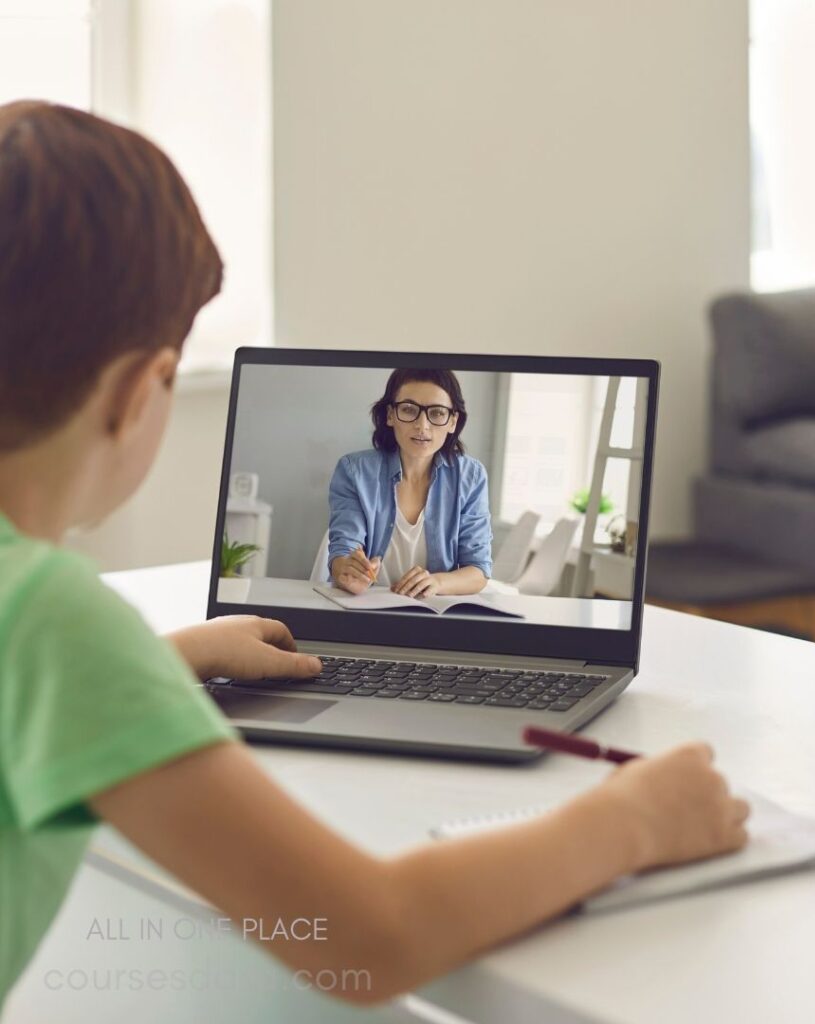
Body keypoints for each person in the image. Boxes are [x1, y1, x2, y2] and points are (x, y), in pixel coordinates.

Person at [0, 100, 749, 1010]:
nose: (423, 424)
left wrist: (162, 664)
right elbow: (364, 935)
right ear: (139, 392)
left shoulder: (41, 635)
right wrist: (631, 821)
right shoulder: (50, 617)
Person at [327, 368, 492, 598]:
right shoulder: (354, 471)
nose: (422, 426)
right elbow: (342, 550)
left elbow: (479, 570)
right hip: (366, 608)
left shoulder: (470, 477)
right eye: (408, 409)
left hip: (435, 615)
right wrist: (347, 571)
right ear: (390, 415)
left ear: (453, 421)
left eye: (436, 413)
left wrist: (437, 583)